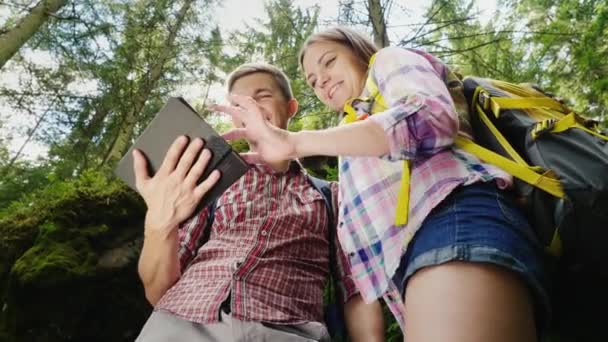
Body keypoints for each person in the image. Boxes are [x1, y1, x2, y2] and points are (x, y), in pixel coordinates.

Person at [214, 27, 551, 342]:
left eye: (329, 61)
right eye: (313, 80)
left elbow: (431, 118)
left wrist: (296, 142)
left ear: (359, 51)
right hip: (413, 265)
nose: (322, 81)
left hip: (452, 219)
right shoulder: (350, 130)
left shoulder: (389, 61)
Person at [133, 62, 385, 342]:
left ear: (291, 108)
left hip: (289, 332)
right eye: (240, 103)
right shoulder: (208, 182)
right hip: (180, 325)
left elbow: (356, 290)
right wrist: (158, 224)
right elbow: (158, 290)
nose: (250, 106)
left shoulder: (333, 195)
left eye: (262, 96)